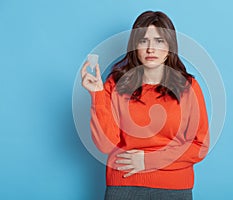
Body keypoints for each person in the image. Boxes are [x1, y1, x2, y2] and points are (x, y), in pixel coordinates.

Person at [81, 10, 209, 200]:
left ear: (170, 47)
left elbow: (200, 145)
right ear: (135, 46)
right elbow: (107, 145)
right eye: (143, 41)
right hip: (123, 185)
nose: (151, 49)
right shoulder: (115, 84)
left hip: (174, 188)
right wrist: (97, 94)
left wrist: (148, 161)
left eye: (159, 41)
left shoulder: (188, 86)